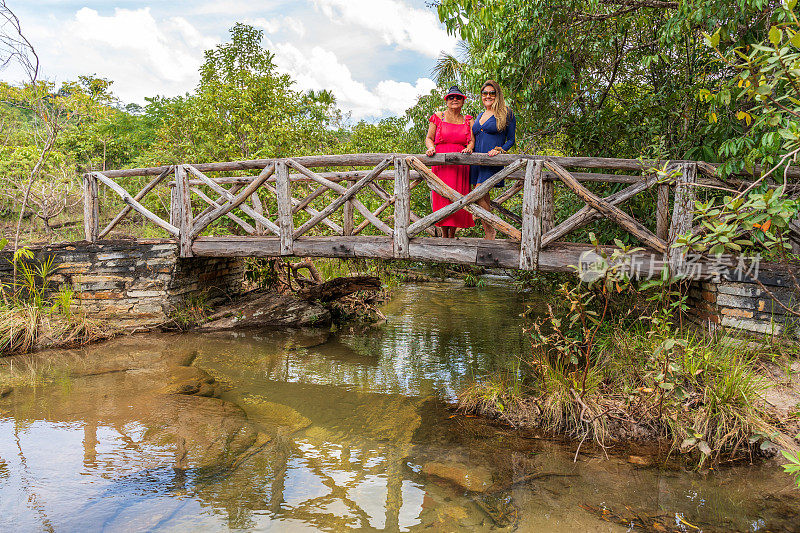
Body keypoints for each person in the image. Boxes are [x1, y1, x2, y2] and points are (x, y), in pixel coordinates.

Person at [424, 85, 475, 238]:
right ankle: (443, 234)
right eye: (451, 97)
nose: (455, 99)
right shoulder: (438, 116)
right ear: (446, 100)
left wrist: (470, 148)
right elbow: (429, 138)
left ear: (463, 101)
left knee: (458, 198)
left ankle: (452, 235)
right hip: (441, 163)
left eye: (458, 97)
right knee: (442, 198)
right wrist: (431, 148)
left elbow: (472, 141)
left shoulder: (468, 120)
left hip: (460, 165)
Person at [470, 80, 516, 240]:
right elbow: (474, 137)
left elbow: (511, 140)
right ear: (481, 96)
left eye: (491, 93)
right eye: (485, 93)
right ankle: (489, 232)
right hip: (476, 161)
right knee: (483, 197)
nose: (488, 96)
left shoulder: (506, 112)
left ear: (497, 95)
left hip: (491, 160)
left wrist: (499, 149)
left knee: (478, 193)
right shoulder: (480, 115)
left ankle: (492, 230)